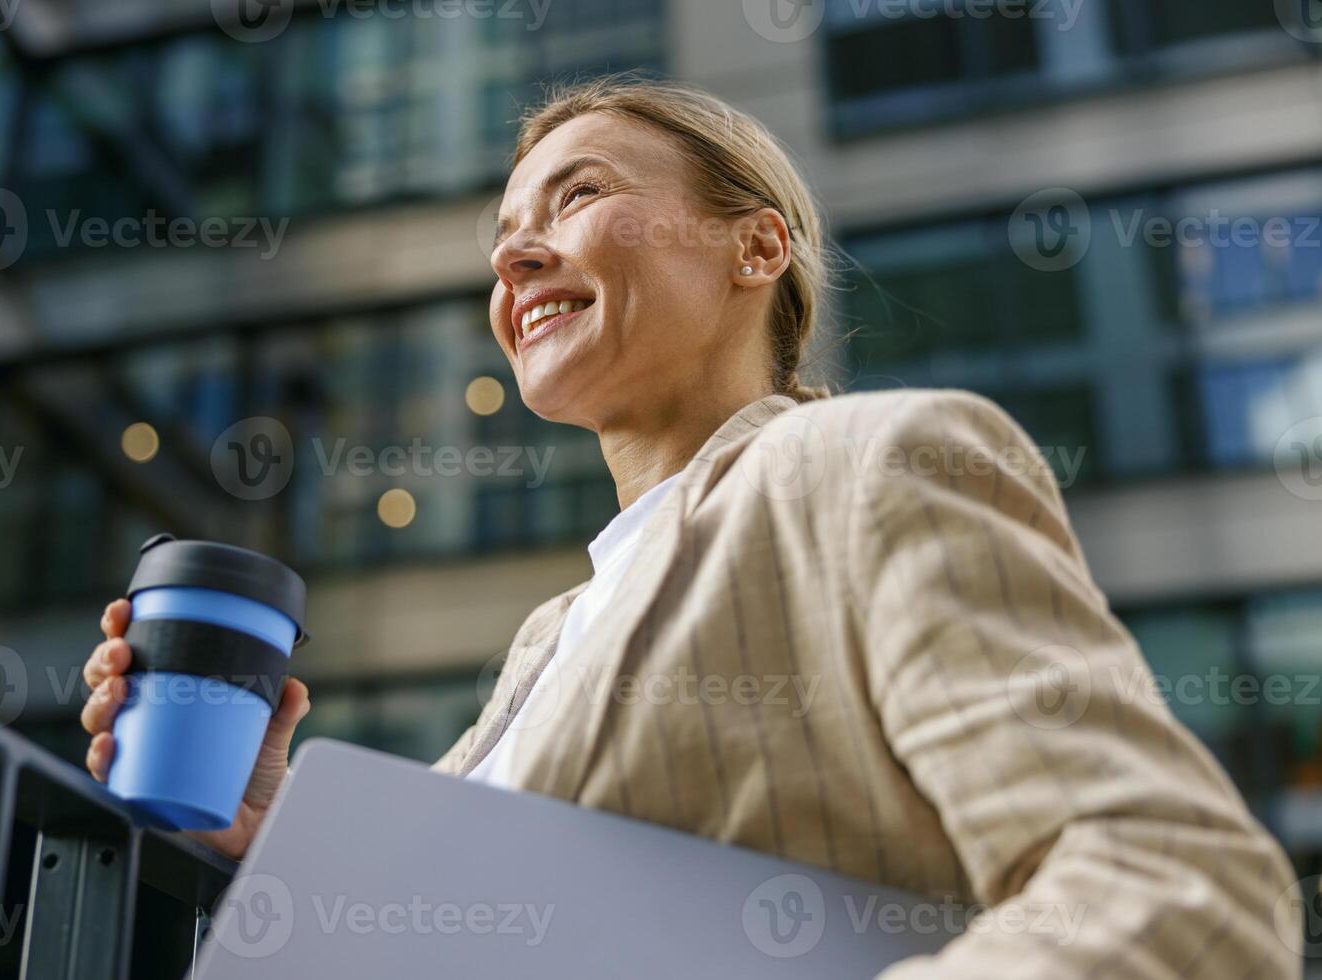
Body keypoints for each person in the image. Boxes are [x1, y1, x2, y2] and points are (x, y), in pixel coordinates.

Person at [80, 75, 1301, 977]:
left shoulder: (871, 463)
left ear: (757, 244)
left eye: (581, 193)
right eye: (506, 232)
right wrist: (271, 839)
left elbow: (1176, 890)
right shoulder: (551, 638)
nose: (513, 252)